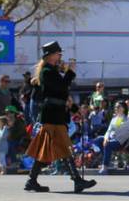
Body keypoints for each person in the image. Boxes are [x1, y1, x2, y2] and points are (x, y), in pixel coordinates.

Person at [24, 41, 96, 193]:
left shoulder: (51, 71)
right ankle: (77, 181)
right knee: (64, 147)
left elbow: (62, 94)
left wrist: (75, 108)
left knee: (46, 149)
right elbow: (62, 88)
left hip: (54, 114)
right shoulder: (47, 72)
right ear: (50, 56)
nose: (60, 55)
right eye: (58, 53)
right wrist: (70, 73)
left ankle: (32, 180)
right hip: (52, 115)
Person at [99, 102, 127, 174]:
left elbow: (122, 131)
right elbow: (108, 130)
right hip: (111, 139)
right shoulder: (114, 119)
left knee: (107, 144)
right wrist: (106, 138)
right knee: (98, 140)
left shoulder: (126, 118)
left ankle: (104, 167)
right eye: (115, 107)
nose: (116, 108)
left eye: (118, 107)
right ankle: (108, 161)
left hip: (119, 140)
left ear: (123, 108)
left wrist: (110, 138)